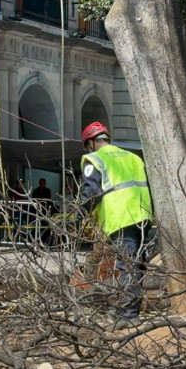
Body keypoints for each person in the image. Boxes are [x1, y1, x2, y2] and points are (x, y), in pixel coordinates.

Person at [79, 121, 154, 330]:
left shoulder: (94, 159)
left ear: (91, 142)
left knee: (127, 266)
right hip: (142, 215)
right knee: (135, 264)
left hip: (121, 216)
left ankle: (129, 316)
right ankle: (127, 311)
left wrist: (78, 215)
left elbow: (91, 192)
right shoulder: (132, 157)